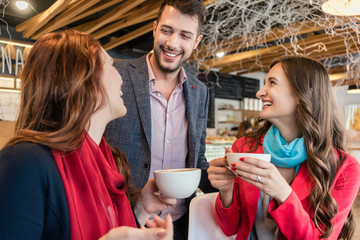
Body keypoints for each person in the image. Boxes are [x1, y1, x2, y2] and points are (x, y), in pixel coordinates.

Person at [0, 30, 176, 240]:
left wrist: (141, 209)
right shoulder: (24, 162)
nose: (121, 77)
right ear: (83, 78)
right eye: (111, 65)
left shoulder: (109, 161)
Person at [207, 56, 360, 239]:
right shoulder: (244, 147)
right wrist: (226, 190)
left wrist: (282, 193)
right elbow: (229, 228)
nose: (260, 93)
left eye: (272, 83)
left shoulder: (344, 167)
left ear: (303, 95)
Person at [104, 1, 216, 239]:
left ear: (196, 42)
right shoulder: (116, 73)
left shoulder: (199, 91)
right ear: (154, 29)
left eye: (185, 35)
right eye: (167, 30)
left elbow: (197, 158)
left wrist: (223, 181)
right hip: (121, 220)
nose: (173, 43)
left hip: (180, 225)